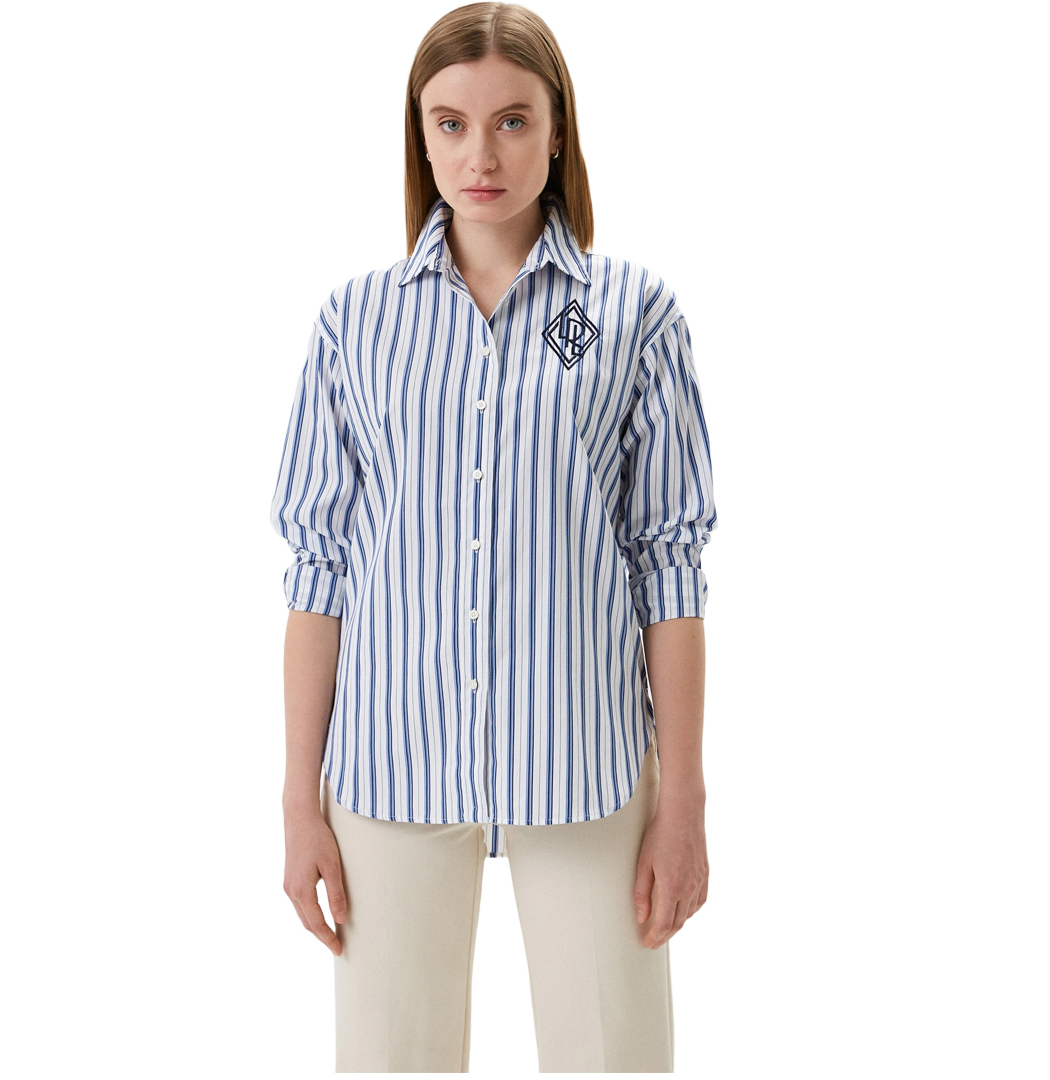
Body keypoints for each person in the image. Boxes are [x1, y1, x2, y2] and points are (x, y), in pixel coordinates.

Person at [268, 3, 716, 1071]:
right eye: (452, 124)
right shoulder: (355, 324)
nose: (482, 154)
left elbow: (669, 566)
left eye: (513, 121)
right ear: (420, 138)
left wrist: (684, 801)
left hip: (587, 762)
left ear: (557, 133)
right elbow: (319, 571)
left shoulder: (632, 316)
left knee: (614, 1059)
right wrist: (297, 801)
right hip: (390, 763)